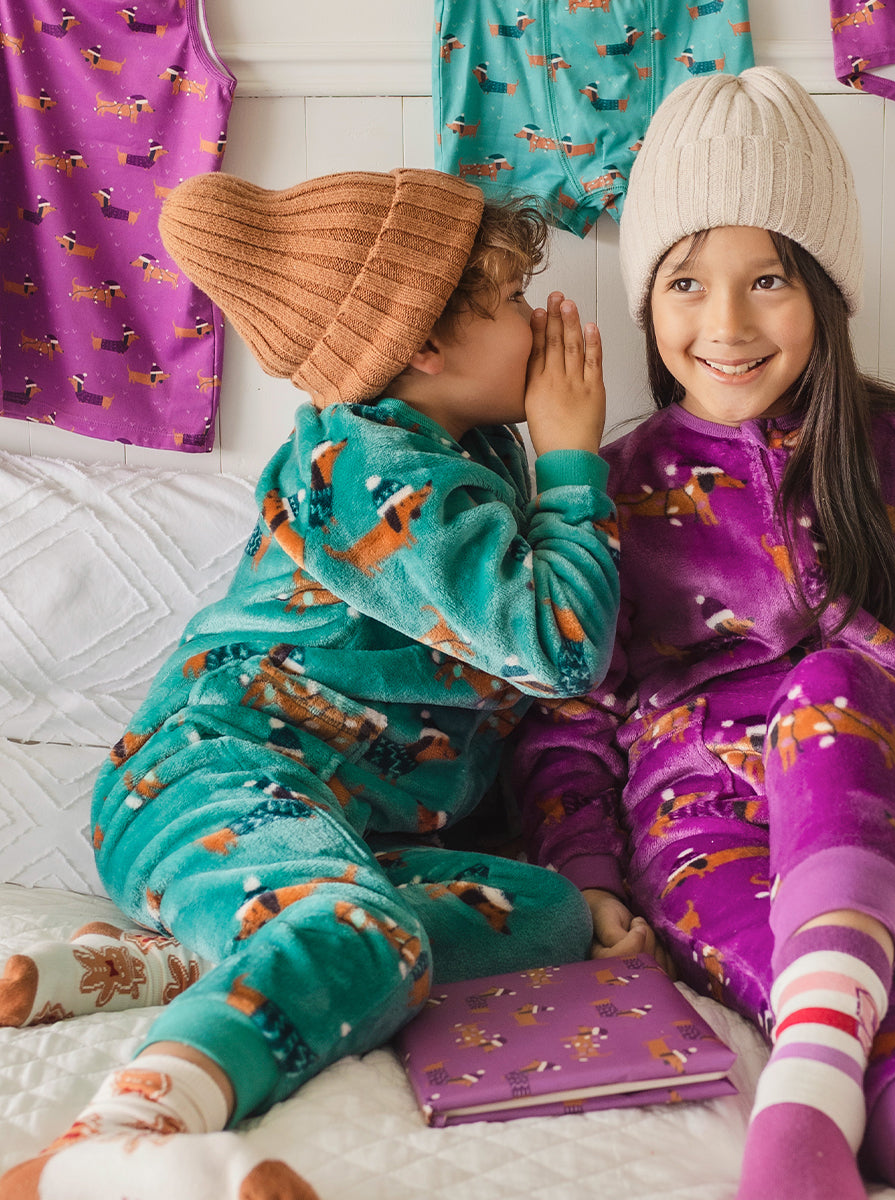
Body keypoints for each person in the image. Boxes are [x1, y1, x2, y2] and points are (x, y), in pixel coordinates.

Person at [510, 67, 895, 1200]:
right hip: (702, 840)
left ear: (825, 293)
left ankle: (799, 1110)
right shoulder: (611, 496)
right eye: (687, 283)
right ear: (649, 302)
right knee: (819, 986)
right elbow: (567, 725)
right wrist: (587, 879)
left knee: (834, 679)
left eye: (769, 280)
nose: (726, 324)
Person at [0, 167, 617, 1199]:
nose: (540, 319)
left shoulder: (464, 449)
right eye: (510, 302)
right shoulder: (370, 472)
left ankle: (171, 964)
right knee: (359, 931)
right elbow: (556, 646)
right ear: (422, 340)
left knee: (546, 915)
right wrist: (572, 460)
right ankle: (115, 1136)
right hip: (208, 780)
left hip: (323, 824)